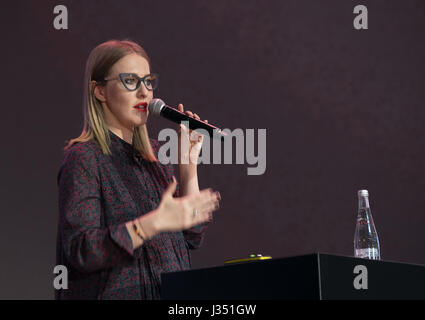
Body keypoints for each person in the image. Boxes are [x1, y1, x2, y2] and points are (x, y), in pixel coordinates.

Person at [55, 39, 221, 300]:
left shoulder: (155, 159)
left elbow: (192, 237)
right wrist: (153, 223)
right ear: (100, 91)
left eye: (148, 81)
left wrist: (188, 166)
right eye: (131, 82)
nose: (145, 93)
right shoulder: (84, 158)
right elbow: (81, 251)